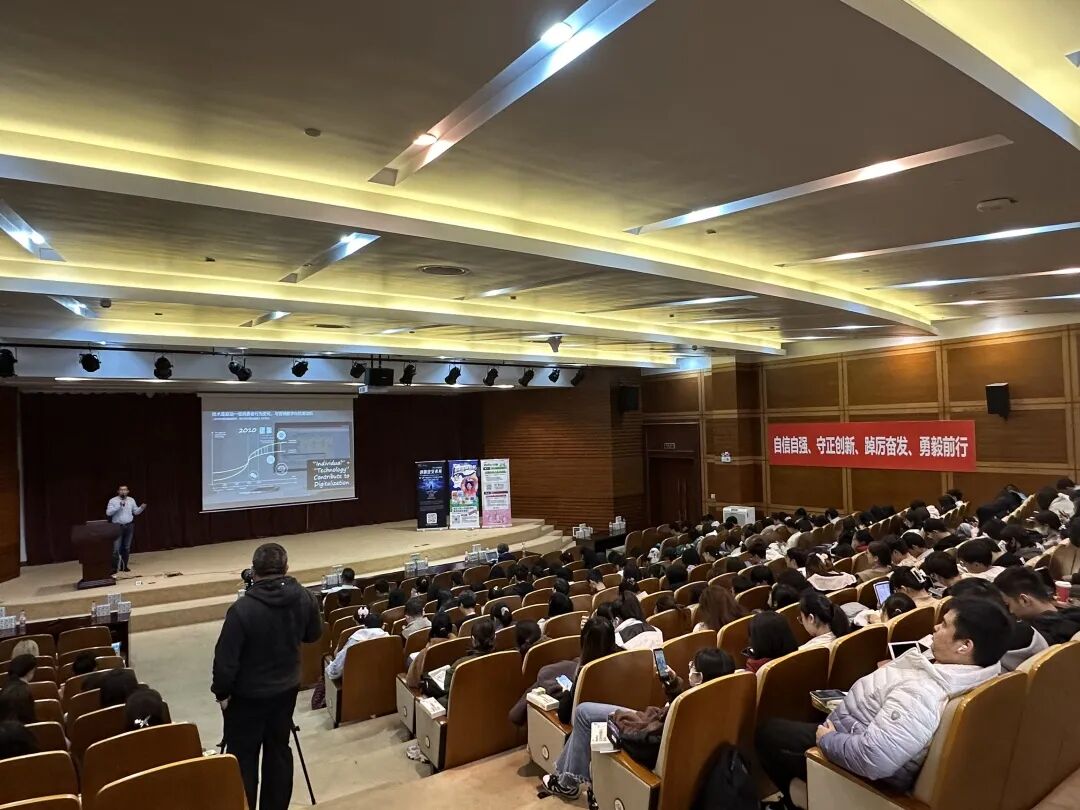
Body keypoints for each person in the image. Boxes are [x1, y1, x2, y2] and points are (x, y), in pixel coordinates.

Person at [755, 598, 1011, 809]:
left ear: (965, 646)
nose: (935, 627)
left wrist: (827, 741)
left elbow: (875, 759)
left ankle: (798, 801)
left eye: (944, 625)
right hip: (863, 729)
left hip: (857, 760)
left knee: (768, 734)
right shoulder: (984, 670)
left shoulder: (921, 693)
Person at [540, 648, 738, 801]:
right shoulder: (718, 701)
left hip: (642, 735)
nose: (689, 666)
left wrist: (618, 721)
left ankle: (567, 783)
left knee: (583, 713)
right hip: (649, 722)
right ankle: (566, 779)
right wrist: (672, 684)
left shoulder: (686, 711)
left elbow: (644, 739)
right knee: (585, 713)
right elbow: (674, 710)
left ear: (700, 678)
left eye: (693, 666)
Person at [211, 543, 322, 810]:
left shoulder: (242, 610)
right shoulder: (305, 597)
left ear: (254, 571)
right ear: (286, 568)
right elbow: (313, 634)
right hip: (286, 690)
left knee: (243, 759)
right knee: (278, 751)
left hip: (246, 698)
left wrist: (222, 694)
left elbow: (225, 662)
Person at [995, 567, 1080, 644]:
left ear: (1024, 600)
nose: (1010, 611)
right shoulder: (1074, 615)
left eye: (1008, 605)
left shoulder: (1034, 639)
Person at [325, 610, 388, 681]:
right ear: (383, 626)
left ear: (364, 626)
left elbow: (336, 669)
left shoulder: (356, 640)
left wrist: (329, 669)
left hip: (356, 681)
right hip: (382, 680)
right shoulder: (390, 639)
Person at [405, 613, 456, 689]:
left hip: (433, 690)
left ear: (433, 629)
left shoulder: (424, 653)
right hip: (453, 686)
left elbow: (411, 681)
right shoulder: (460, 646)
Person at [105, 483, 147, 574]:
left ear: (128, 491)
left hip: (129, 526)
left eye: (125, 490)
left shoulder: (131, 500)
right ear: (118, 491)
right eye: (121, 490)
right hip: (117, 527)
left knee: (127, 547)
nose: (123, 491)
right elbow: (108, 513)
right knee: (116, 549)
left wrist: (141, 508)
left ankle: (124, 567)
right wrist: (119, 506)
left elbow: (135, 512)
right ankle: (114, 568)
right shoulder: (113, 500)